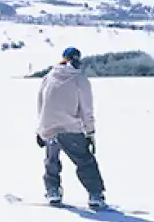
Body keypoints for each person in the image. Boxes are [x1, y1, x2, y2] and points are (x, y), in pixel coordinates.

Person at [35, 46, 106, 209]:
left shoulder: (49, 76)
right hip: (70, 127)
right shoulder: (80, 79)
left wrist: (40, 129)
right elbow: (86, 108)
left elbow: (41, 103)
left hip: (49, 126)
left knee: (51, 161)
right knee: (85, 161)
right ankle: (95, 194)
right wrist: (90, 132)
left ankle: (53, 191)